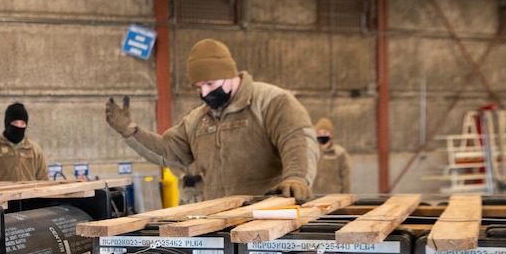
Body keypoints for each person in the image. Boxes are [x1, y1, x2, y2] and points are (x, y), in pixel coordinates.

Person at [105, 39, 319, 202]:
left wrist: (296, 177)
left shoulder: (271, 101)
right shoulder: (197, 119)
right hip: (218, 217)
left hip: (267, 214)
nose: (204, 93)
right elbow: (169, 151)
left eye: (210, 83)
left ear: (230, 74)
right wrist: (130, 131)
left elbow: (297, 139)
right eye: (198, 87)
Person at [0, 102, 48, 182]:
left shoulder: (34, 150)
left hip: (29, 194)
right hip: (0, 194)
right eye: (15, 123)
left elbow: (43, 179)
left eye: (22, 123)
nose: (19, 127)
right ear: (7, 123)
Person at [312, 117, 351, 194]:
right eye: (319, 133)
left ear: (331, 134)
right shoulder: (312, 153)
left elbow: (346, 178)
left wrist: (345, 196)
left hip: (334, 197)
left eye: (325, 132)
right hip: (313, 197)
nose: (322, 135)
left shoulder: (339, 153)